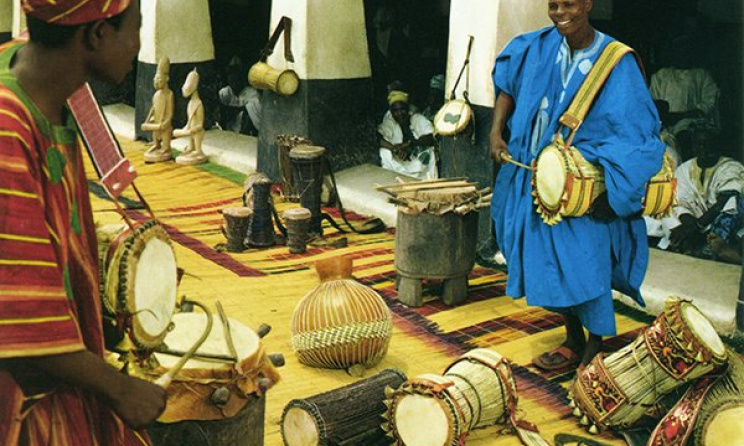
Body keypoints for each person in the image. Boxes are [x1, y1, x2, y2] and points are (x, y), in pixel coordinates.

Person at [0, 1, 167, 445]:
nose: (138, 47)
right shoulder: (6, 127)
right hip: (19, 397)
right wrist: (119, 388)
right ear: (95, 35)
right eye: (136, 30)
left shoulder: (51, 79)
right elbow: (17, 314)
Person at [490, 0, 665, 369]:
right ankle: (572, 337)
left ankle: (595, 345)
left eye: (568, 4)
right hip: (536, 179)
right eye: (553, 5)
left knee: (587, 264)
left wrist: (614, 196)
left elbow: (635, 134)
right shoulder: (536, 46)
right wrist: (495, 133)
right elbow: (507, 85)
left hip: (588, 184)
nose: (559, 13)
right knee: (546, 262)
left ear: (587, 4)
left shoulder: (615, 61)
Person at [667, 124, 744, 264]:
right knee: (669, 204)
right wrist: (688, 226)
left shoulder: (732, 167)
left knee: (733, 202)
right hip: (697, 222)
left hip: (718, 221)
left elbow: (722, 203)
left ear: (716, 145)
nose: (703, 148)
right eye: (699, 144)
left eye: (707, 143)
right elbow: (680, 200)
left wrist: (696, 226)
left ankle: (718, 246)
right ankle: (694, 244)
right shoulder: (684, 169)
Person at [649, 34, 720, 137]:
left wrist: (690, 113)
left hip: (691, 124)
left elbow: (711, 99)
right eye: (677, 51)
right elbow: (651, 100)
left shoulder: (701, 75)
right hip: (666, 124)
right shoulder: (661, 75)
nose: (681, 54)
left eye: (685, 51)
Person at [378, 89, 438, 180]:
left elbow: (430, 137)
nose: (399, 113)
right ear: (391, 112)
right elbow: (377, 137)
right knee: (384, 152)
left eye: (402, 109)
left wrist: (410, 144)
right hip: (399, 162)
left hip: (418, 161)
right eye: (395, 111)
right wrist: (394, 148)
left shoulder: (417, 119)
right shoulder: (389, 124)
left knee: (429, 151)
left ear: (407, 108)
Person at [141, 57, 174, 163]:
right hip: (156, 125)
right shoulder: (156, 95)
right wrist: (148, 121)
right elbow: (153, 109)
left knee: (165, 140)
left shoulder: (169, 94)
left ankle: (165, 148)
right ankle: (156, 145)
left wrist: (165, 124)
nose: (156, 82)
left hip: (164, 126)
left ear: (166, 79)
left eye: (159, 79)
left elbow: (169, 113)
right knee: (155, 140)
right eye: (155, 79)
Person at [218, 57, 261, 136]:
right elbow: (222, 111)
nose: (234, 84)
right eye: (232, 81)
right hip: (228, 130)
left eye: (237, 80)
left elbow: (253, 114)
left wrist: (240, 109)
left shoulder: (252, 93)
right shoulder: (225, 92)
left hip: (245, 131)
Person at [174, 68, 208, 165]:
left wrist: (192, 130)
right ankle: (192, 149)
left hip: (197, 132)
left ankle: (198, 151)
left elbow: (200, 124)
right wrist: (185, 129)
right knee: (188, 150)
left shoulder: (198, 104)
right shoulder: (190, 103)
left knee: (196, 151)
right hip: (191, 131)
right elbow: (189, 121)